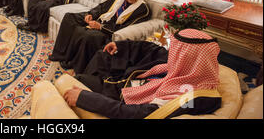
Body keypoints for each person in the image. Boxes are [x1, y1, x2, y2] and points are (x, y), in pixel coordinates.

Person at [63, 29, 222, 119]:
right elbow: (153, 50)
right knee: (101, 56)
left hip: (119, 98)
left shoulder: (192, 97)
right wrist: (120, 45)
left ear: (186, 56)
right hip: (124, 84)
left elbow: (138, 115)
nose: (171, 53)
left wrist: (84, 98)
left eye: (175, 50)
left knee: (75, 81)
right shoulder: (191, 69)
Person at [49, 0, 151, 74]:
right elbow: (102, 7)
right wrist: (91, 14)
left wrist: (101, 27)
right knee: (69, 17)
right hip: (101, 19)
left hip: (109, 31)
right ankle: (61, 54)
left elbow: (126, 29)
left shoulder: (142, 9)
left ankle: (76, 65)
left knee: (86, 34)